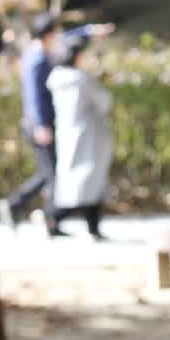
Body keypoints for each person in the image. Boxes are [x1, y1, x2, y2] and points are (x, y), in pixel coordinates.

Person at [0, 15, 113, 228]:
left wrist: (90, 30)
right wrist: (40, 124)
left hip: (46, 123)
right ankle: (25, 208)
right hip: (39, 124)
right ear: (49, 34)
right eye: (57, 32)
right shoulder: (37, 59)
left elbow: (68, 36)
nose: (60, 36)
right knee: (51, 173)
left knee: (50, 172)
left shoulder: (42, 51)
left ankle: (37, 215)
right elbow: (33, 96)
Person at [47, 33, 113, 240]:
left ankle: (68, 221)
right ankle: (57, 218)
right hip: (88, 136)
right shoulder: (81, 80)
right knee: (89, 182)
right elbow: (104, 102)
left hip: (68, 135)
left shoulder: (56, 79)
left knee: (77, 184)